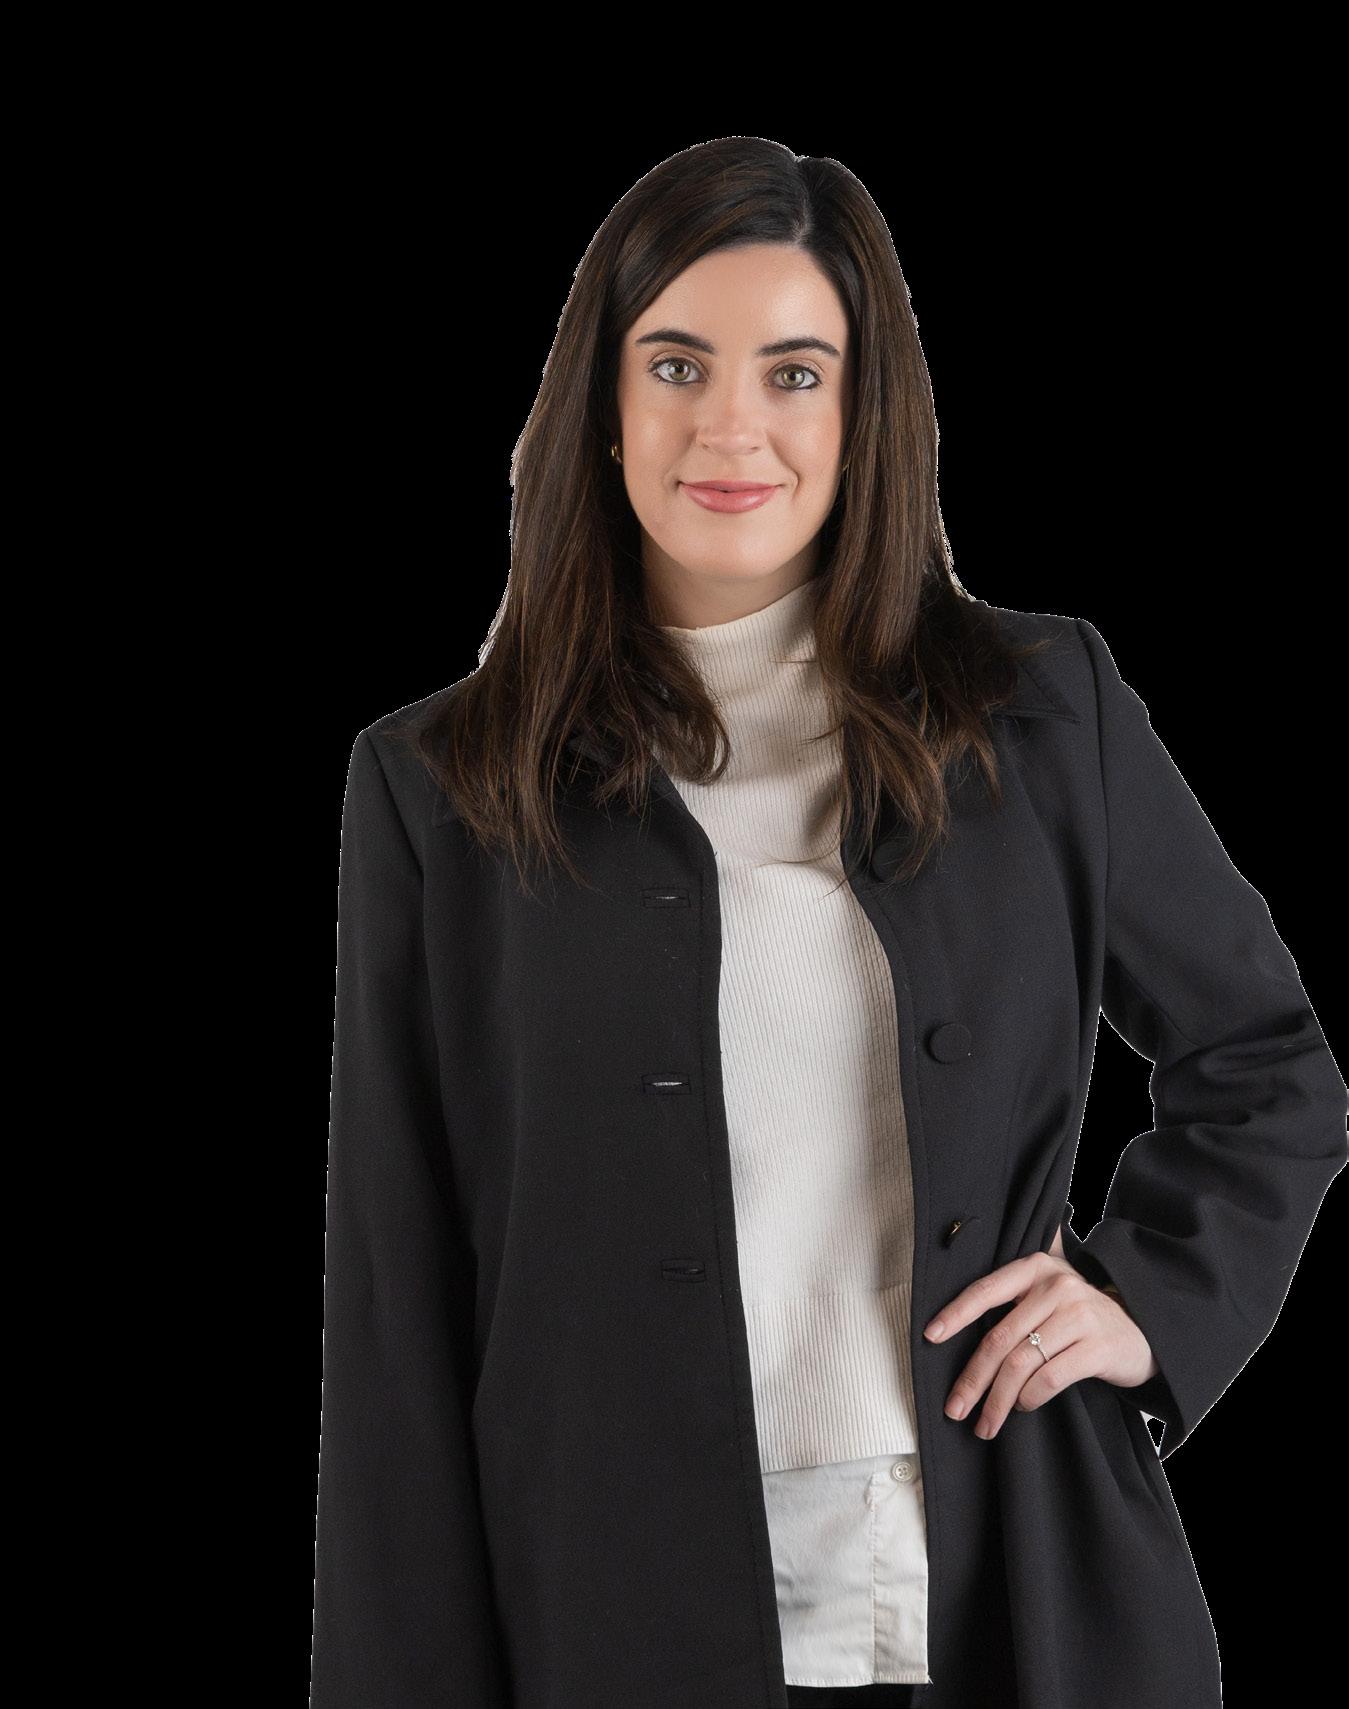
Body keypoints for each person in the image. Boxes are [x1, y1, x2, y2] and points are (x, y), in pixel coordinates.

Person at [310, 138, 1348, 1708]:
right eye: (677, 364)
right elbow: (397, 1301)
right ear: (603, 404)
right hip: (602, 1607)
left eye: (794, 373)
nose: (731, 425)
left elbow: (1267, 1065)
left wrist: (1145, 1301)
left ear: (867, 416)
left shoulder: (1037, 712)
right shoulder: (440, 787)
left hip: (1004, 1588)